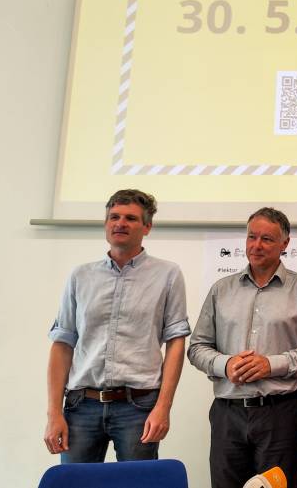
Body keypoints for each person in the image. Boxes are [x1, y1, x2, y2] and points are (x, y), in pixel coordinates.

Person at [44, 189, 191, 462]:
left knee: (136, 481)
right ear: (105, 223)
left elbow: (176, 343)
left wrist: (163, 406)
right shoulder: (80, 276)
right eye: (114, 217)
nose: (120, 223)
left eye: (131, 218)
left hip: (139, 406)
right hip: (81, 405)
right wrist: (54, 413)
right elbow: (62, 343)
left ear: (147, 227)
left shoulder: (168, 275)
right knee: (77, 482)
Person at [189, 207, 297, 488]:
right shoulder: (221, 290)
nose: (256, 245)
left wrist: (271, 364)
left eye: (267, 239)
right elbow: (197, 347)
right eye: (252, 237)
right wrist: (225, 364)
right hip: (228, 412)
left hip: (280, 413)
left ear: (285, 243)